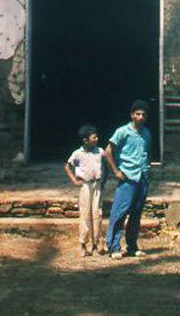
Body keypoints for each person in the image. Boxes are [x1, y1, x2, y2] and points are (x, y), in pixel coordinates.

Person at [105, 100, 151, 259]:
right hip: (128, 177)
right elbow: (108, 151)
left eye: (144, 114)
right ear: (132, 115)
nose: (141, 117)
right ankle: (113, 246)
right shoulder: (122, 131)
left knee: (136, 213)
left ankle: (132, 246)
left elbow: (146, 154)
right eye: (138, 114)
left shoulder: (146, 133)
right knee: (120, 212)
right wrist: (116, 170)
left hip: (142, 177)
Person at [64, 124, 106, 257]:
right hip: (85, 186)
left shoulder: (99, 151)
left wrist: (103, 180)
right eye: (94, 137)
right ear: (85, 140)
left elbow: (106, 165)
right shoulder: (78, 153)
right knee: (85, 214)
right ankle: (83, 243)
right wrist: (74, 180)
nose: (97, 139)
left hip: (97, 185)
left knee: (97, 214)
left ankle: (96, 244)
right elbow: (67, 166)